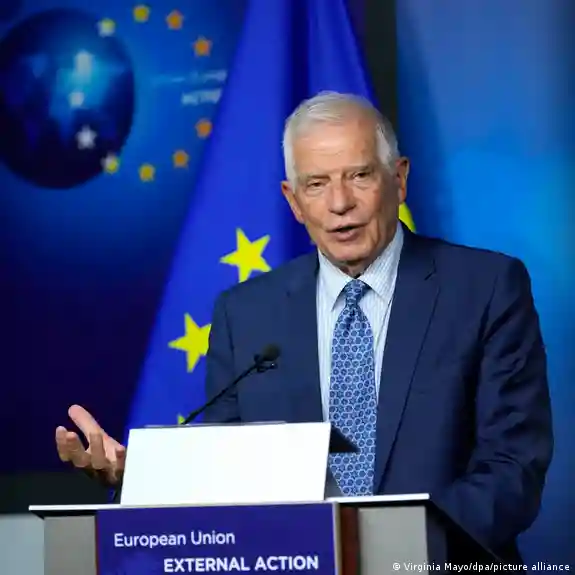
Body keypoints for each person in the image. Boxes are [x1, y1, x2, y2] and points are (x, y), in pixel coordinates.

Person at [55, 91, 553, 562]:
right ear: (293, 201)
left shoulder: (485, 287)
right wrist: (136, 475)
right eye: (316, 184)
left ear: (399, 180)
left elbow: (512, 469)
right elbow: (223, 473)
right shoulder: (245, 314)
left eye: (359, 175)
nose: (340, 203)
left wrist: (387, 551)